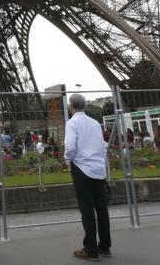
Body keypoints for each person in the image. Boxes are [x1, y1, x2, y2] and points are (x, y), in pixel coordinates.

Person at [64, 94, 111, 261]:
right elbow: (102, 145)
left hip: (81, 168)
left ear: (71, 106)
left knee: (87, 210)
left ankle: (90, 249)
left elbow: (69, 146)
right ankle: (105, 246)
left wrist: (67, 160)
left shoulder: (72, 123)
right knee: (102, 209)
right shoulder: (95, 123)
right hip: (98, 169)